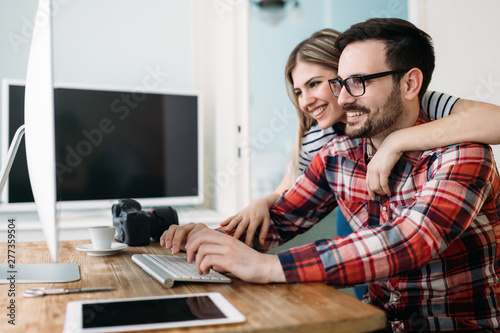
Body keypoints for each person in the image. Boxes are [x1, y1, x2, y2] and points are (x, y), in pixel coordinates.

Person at [161, 18, 500, 332]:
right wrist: (207, 240)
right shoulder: (336, 153)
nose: (342, 97)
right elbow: (278, 220)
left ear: (410, 83)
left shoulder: (464, 152)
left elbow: (411, 241)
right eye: (340, 83)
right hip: (374, 323)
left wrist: (268, 268)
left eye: (357, 83)